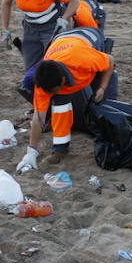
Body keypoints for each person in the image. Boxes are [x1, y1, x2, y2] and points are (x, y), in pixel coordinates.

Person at [16, 27, 118, 172]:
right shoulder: (42, 84)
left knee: (104, 102)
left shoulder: (83, 60)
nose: (56, 93)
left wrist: (102, 87)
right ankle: (60, 149)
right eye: (51, 92)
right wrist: (31, 152)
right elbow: (38, 118)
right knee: (60, 104)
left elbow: (109, 61)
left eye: (58, 88)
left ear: (64, 78)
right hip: (60, 43)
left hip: (88, 38)